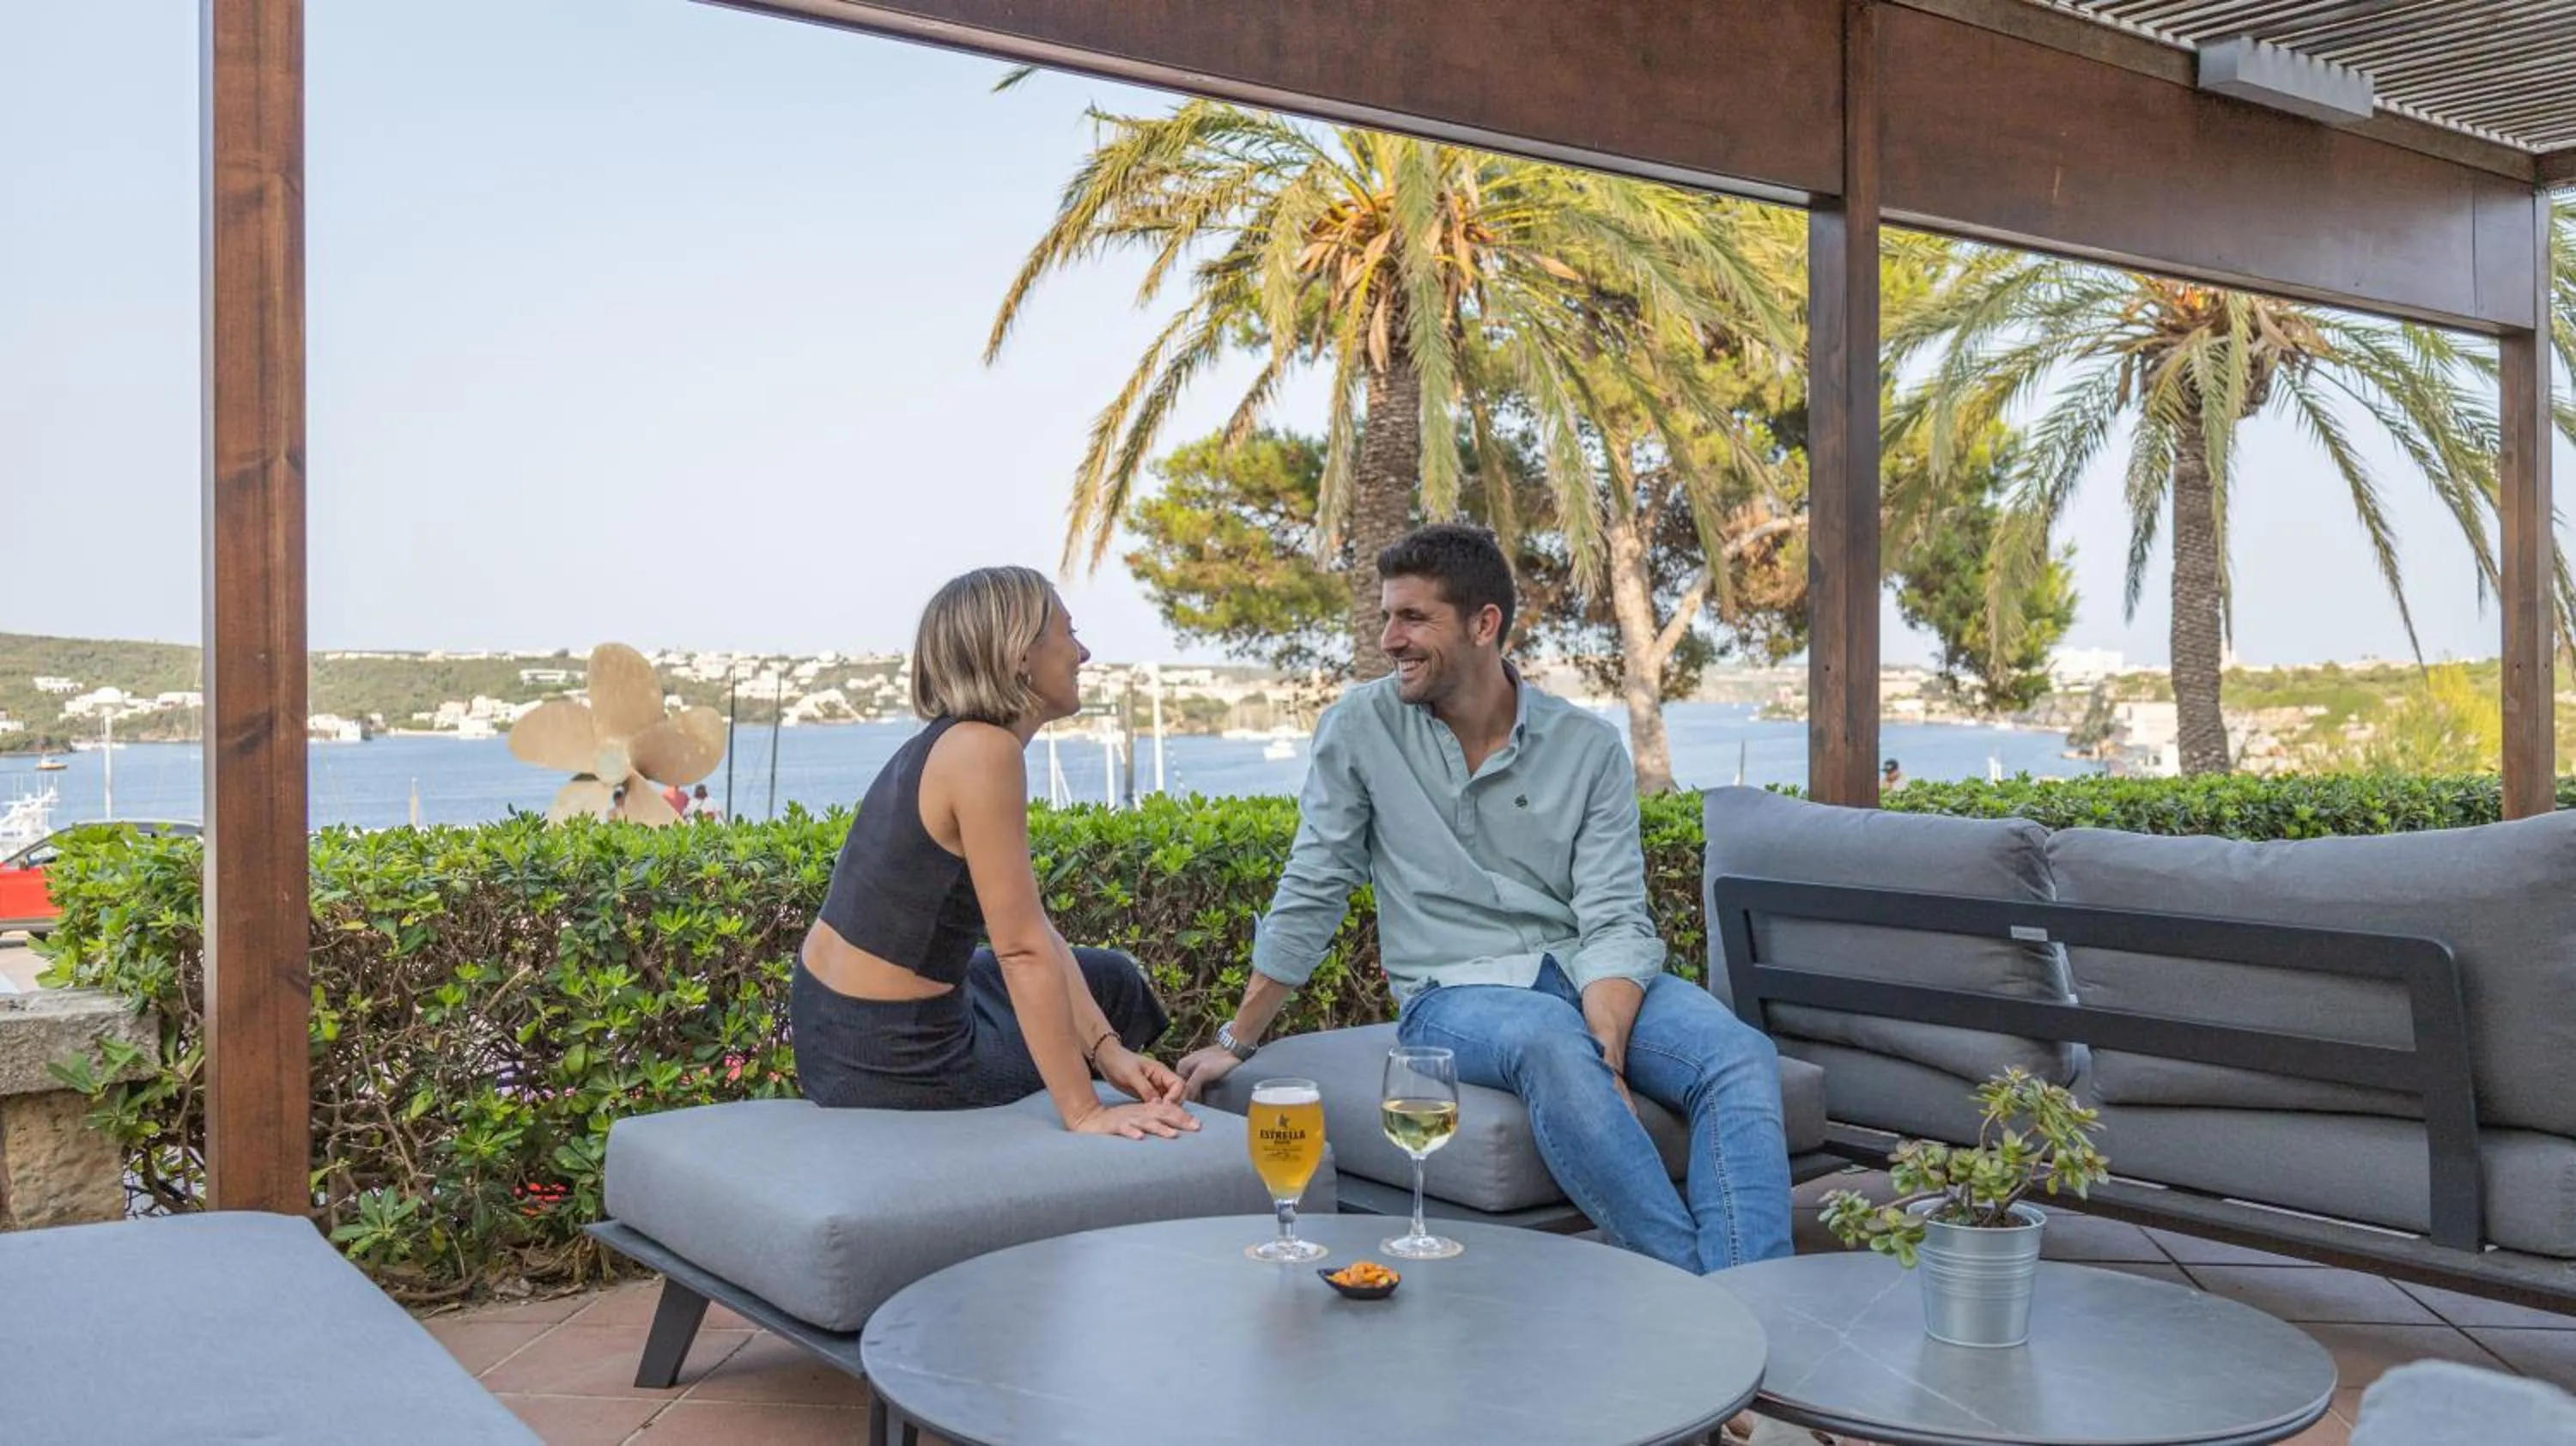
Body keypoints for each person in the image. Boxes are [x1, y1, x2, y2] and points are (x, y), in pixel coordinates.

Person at [1176, 524, 1791, 1271]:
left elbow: (1615, 916)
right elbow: (1314, 886)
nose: (1389, 639)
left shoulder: (1586, 748)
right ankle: (1695, 1296)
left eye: (1412, 618)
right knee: (1545, 1038)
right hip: (1454, 990)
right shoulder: (1360, 730)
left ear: (1484, 624)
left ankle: (1758, 1302)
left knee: (1737, 1055)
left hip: (1584, 972)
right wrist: (1237, 1040)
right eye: (1385, 617)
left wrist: (1612, 1055)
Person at [792, 565, 1197, 1140]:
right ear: (1019, 655)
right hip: (897, 1061)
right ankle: (1130, 1145)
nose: (1082, 653)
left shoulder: (946, 743)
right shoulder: (986, 752)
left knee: (1108, 975)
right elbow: (1021, 953)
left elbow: (1036, 934)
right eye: (1068, 632)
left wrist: (1108, 1051)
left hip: (838, 1026)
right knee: (1113, 984)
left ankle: (1128, 1082)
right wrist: (1086, 1112)